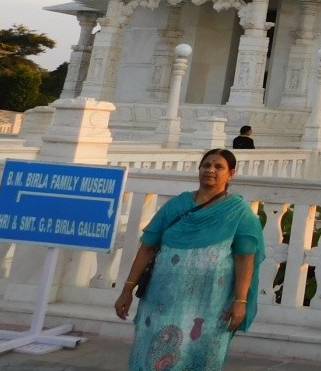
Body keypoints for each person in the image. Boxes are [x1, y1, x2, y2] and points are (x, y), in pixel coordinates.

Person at [114, 148, 266, 371]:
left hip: (211, 303)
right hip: (162, 299)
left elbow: (245, 259)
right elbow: (147, 248)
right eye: (206, 165)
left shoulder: (238, 211)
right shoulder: (177, 205)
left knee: (199, 356)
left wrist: (240, 302)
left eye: (218, 166)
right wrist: (127, 289)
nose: (210, 170)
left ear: (230, 173)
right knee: (152, 353)